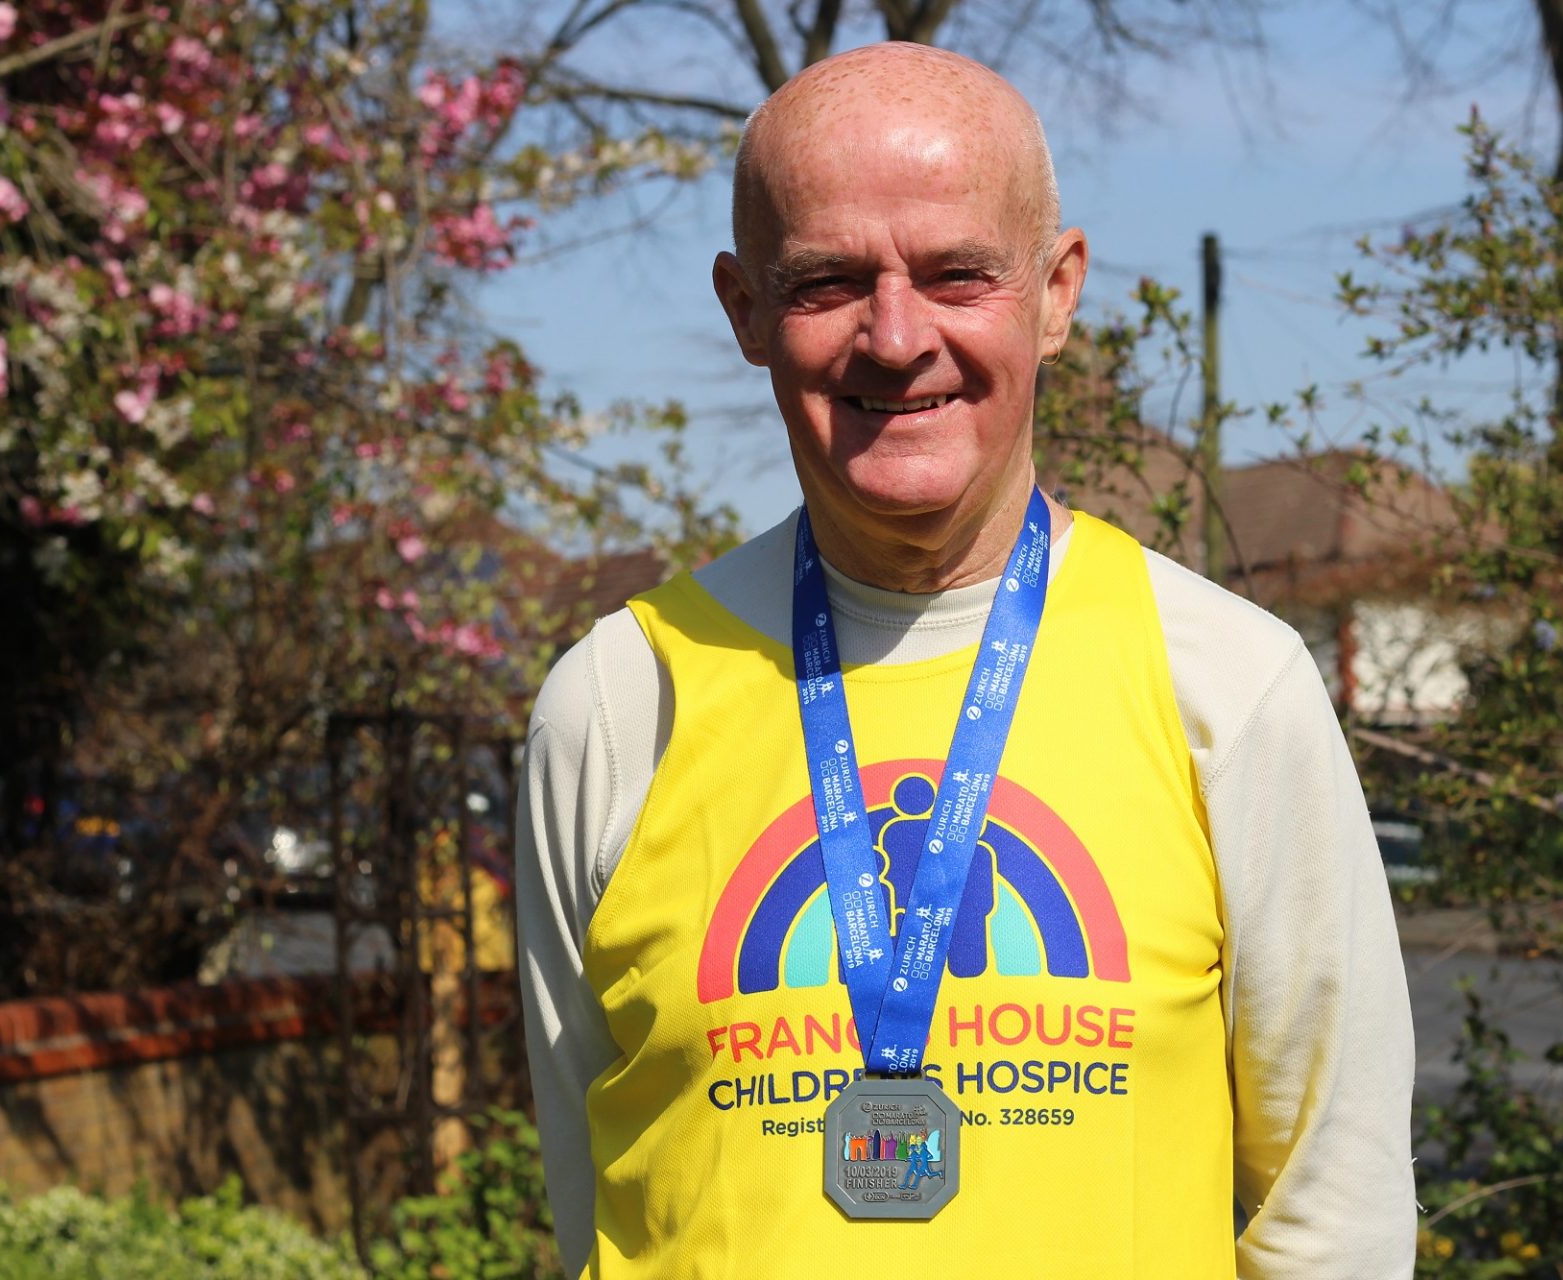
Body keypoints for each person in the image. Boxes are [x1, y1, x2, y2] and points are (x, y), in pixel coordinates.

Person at [517, 41, 1416, 1279]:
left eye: (956, 274)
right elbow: (589, 1208)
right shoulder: (618, 703)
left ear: (1056, 292)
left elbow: (1339, 1218)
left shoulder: (1228, 683)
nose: (896, 338)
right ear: (744, 310)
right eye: (828, 281)